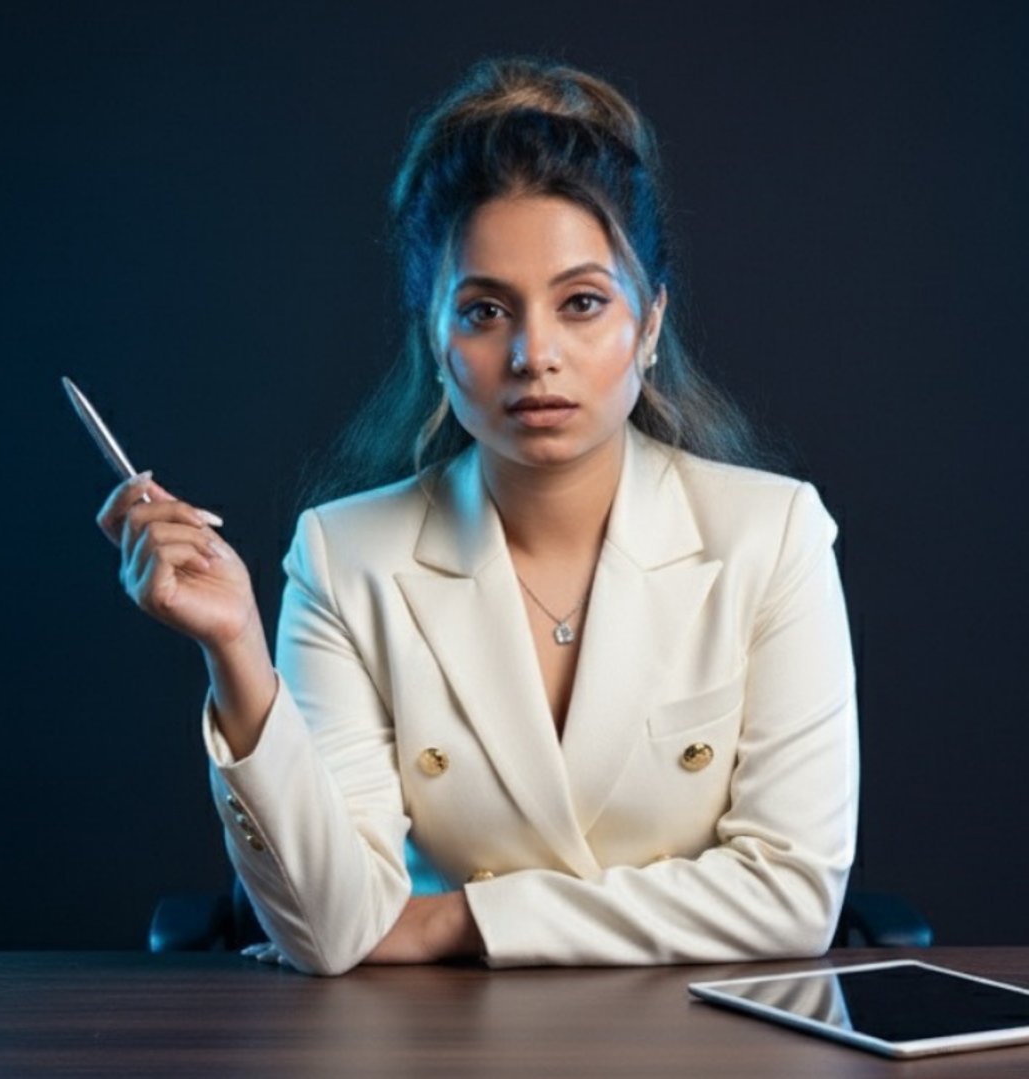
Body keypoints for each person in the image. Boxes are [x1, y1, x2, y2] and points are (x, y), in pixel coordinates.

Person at [93, 56, 858, 974]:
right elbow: (334, 933)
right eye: (486, 310)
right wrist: (235, 652)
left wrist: (456, 921)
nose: (535, 354)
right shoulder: (346, 557)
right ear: (435, 339)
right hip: (440, 1050)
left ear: (649, 325)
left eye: (582, 303)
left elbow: (794, 897)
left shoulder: (772, 536)